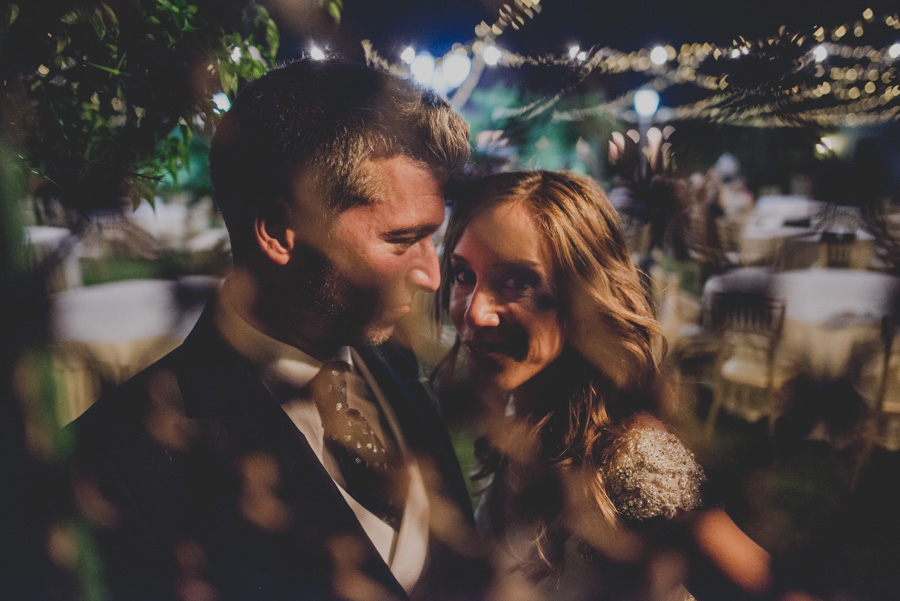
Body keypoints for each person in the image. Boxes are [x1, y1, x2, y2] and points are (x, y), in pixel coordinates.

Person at [64, 57, 485, 601]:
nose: (431, 274)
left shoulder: (394, 362)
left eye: (434, 238)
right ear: (280, 233)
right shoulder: (117, 468)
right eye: (401, 241)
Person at [432, 170, 782, 601]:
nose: (474, 313)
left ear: (583, 293)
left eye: (516, 282)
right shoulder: (525, 419)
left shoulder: (630, 453)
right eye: (464, 275)